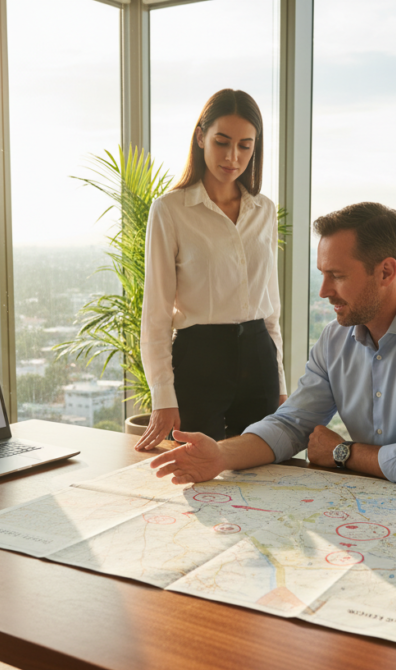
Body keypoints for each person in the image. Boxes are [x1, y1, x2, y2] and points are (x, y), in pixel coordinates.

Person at [149, 202, 396, 490]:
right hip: (384, 500)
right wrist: (221, 455)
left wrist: (342, 452)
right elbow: (291, 425)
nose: (323, 291)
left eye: (337, 275)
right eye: (322, 273)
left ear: (385, 272)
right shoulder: (336, 339)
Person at [135, 89, 287, 451]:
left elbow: (271, 308)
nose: (233, 157)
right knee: (196, 484)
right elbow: (156, 312)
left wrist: (279, 384)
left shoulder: (264, 210)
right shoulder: (169, 210)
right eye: (222, 142)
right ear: (201, 136)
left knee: (265, 478)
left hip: (259, 357)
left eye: (245, 145)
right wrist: (163, 397)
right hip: (198, 362)